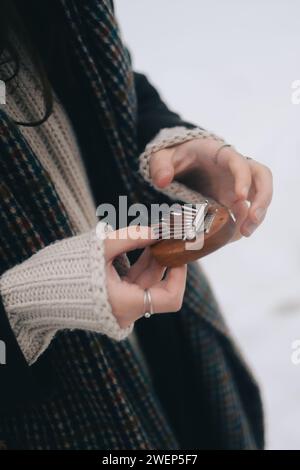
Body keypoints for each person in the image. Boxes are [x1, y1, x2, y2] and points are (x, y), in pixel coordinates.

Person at [0, 0, 272, 450]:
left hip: (167, 344)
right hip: (47, 412)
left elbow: (111, 84)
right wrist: (26, 306)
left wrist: (182, 150)